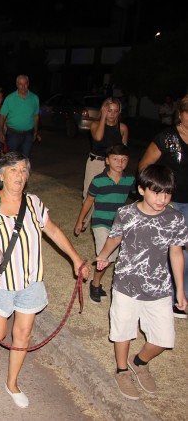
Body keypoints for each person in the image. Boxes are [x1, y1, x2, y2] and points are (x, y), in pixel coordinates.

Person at [0, 152, 89, 408]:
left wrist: (75, 259)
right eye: (14, 170)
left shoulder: (33, 203)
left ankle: (12, 383)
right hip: (2, 282)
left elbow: (53, 231)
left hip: (31, 281)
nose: (19, 175)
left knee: (23, 334)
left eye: (23, 170)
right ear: (1, 176)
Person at [95, 164, 188, 400]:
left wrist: (180, 290)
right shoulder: (126, 213)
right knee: (122, 331)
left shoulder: (175, 218)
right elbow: (114, 238)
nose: (162, 198)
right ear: (141, 189)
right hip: (126, 283)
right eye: (156, 192)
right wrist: (103, 257)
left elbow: (176, 252)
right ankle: (122, 370)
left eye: (167, 193)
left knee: (164, 339)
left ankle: (139, 362)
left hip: (159, 288)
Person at [138, 94, 188, 318]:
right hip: (171, 202)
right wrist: (156, 195)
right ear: (181, 113)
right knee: (168, 252)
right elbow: (144, 167)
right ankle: (163, 297)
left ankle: (182, 296)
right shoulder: (168, 137)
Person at [74, 144, 135, 303]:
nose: (120, 163)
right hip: (100, 222)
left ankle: (98, 284)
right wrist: (80, 221)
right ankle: (95, 285)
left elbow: (143, 195)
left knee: (114, 257)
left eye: (124, 160)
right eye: (115, 159)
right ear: (107, 161)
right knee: (105, 256)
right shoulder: (99, 180)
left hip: (118, 223)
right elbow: (89, 201)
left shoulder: (130, 180)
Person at [82, 97, 129, 205]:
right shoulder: (95, 124)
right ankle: (86, 220)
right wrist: (103, 117)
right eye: (109, 110)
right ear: (104, 110)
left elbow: (123, 151)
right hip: (96, 162)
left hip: (113, 165)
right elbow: (98, 137)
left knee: (109, 196)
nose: (112, 114)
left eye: (115, 111)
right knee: (90, 195)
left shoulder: (122, 128)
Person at [0, 75, 40, 158]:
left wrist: (36, 131)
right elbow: (2, 117)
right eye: (20, 84)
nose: (23, 86)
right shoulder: (10, 98)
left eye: (25, 84)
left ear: (28, 84)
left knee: (25, 157)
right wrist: (0, 132)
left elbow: (36, 116)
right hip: (13, 133)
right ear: (17, 84)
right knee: (12, 158)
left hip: (28, 133)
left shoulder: (34, 98)